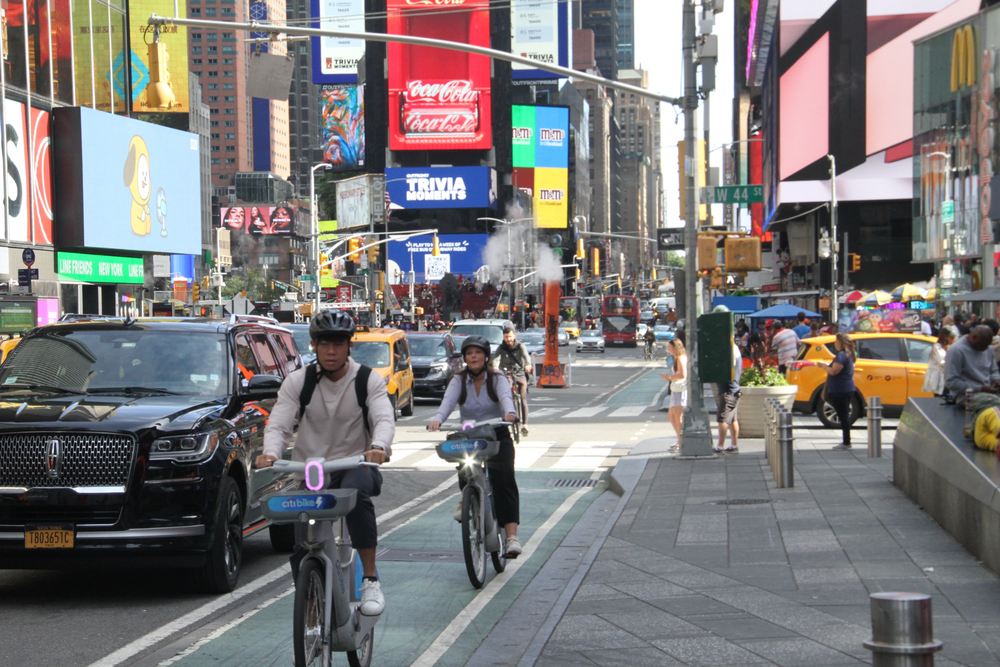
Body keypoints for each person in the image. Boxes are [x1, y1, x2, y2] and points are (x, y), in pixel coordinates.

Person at [256, 311, 394, 616]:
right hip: (311, 470)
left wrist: (378, 446)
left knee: (356, 494)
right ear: (314, 346)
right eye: (324, 344)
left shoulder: (367, 380)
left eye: (339, 344)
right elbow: (279, 424)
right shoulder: (298, 381)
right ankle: (310, 612)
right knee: (302, 538)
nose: (331, 351)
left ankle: (370, 578)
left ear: (349, 347)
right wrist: (271, 453)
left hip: (355, 464)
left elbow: (383, 416)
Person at [428, 336, 522, 557]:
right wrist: (438, 419)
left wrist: (510, 414)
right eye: (469, 353)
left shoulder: (497, 378)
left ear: (486, 356)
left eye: (478, 352)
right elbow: (448, 402)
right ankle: (467, 495)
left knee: (504, 479)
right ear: (465, 358)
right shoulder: (458, 380)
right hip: (470, 435)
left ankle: (511, 538)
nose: (473, 356)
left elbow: (506, 398)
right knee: (465, 467)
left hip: (497, 432)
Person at [817, 332, 856, 451]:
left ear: (841, 342)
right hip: (847, 388)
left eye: (836, 341)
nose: (835, 343)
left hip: (840, 389)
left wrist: (823, 366)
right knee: (844, 414)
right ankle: (846, 441)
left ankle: (846, 442)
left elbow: (834, 371)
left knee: (843, 415)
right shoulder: (849, 355)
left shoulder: (841, 356)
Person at [945, 325, 1000, 406]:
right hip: (967, 395)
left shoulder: (989, 349)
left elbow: (993, 370)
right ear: (973, 337)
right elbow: (951, 382)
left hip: (988, 392)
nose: (985, 349)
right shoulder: (956, 350)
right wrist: (981, 388)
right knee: (993, 405)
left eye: (987, 345)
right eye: (982, 345)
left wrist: (996, 379)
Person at [494, 324, 532, 436]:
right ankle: (506, 418)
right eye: (506, 337)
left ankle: (525, 425)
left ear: (514, 336)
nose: (508, 339)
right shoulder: (501, 348)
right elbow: (496, 359)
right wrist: (495, 367)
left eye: (510, 336)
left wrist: (528, 365)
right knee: (505, 394)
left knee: (523, 398)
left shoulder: (521, 346)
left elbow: (526, 357)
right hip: (507, 374)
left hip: (519, 373)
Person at [712, 336, 742, 453]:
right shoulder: (735, 349)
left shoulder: (730, 352)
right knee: (733, 419)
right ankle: (734, 445)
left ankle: (720, 446)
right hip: (734, 389)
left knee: (722, 419)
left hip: (728, 390)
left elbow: (726, 368)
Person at [661, 338, 688, 453]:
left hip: (680, 390)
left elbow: (683, 375)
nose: (668, 349)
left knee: (678, 417)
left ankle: (682, 442)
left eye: (669, 347)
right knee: (672, 416)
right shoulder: (678, 358)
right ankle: (680, 440)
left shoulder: (681, 358)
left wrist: (670, 377)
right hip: (677, 389)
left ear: (674, 347)